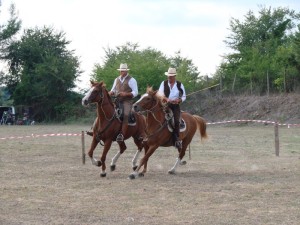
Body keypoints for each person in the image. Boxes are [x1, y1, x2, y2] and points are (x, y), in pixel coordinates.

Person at [108, 63, 138, 143]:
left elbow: (135, 92)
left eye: (123, 70)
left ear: (126, 71)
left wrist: (126, 94)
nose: (122, 72)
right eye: (121, 70)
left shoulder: (132, 80)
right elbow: (113, 90)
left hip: (127, 101)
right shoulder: (116, 79)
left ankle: (122, 134)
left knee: (125, 115)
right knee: (107, 111)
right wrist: (111, 92)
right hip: (117, 100)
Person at [158, 67, 186, 149]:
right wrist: (166, 99)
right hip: (164, 105)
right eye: (168, 76)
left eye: (171, 76)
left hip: (175, 106)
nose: (169, 78)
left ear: (174, 76)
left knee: (176, 121)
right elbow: (160, 94)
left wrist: (179, 100)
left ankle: (177, 139)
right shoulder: (163, 83)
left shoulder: (180, 84)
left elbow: (184, 96)